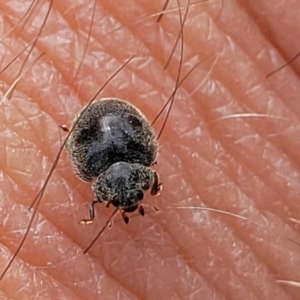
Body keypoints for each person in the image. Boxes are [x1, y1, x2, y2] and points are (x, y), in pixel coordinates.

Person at [0, 0, 299, 299]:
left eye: (125, 202)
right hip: (111, 131)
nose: (130, 205)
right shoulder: (128, 166)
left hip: (104, 135)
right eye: (137, 198)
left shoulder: (114, 170)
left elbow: (97, 183)